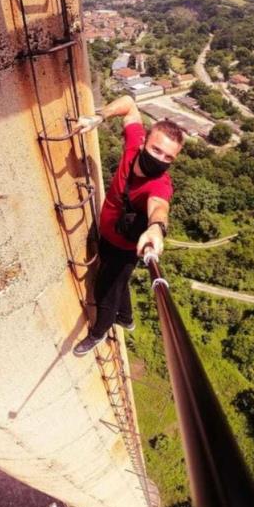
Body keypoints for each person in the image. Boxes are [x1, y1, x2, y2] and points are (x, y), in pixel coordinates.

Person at [70, 95, 184, 356]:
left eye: (168, 157)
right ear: (145, 141)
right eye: (157, 150)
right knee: (120, 283)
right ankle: (127, 318)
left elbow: (159, 206)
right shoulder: (134, 146)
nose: (160, 159)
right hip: (108, 236)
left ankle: (98, 333)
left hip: (126, 248)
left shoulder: (159, 184)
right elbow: (130, 104)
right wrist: (98, 118)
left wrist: (157, 228)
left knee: (105, 291)